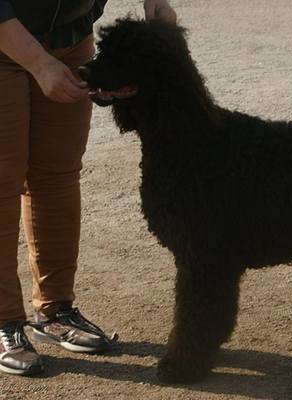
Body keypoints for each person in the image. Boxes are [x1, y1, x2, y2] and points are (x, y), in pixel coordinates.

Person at [0, 0, 176, 376]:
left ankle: (55, 309)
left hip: (69, 35)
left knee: (57, 174)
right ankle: (3, 322)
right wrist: (37, 62)